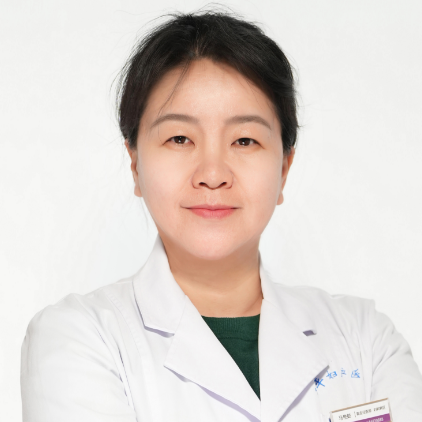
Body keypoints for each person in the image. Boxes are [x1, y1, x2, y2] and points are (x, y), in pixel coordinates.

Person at [20, 10, 422, 422]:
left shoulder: (366, 339)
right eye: (180, 138)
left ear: (284, 169)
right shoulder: (77, 339)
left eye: (244, 140)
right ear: (135, 163)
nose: (212, 174)